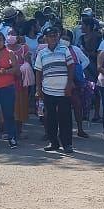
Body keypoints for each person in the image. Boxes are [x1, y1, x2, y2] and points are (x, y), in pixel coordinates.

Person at [34, 26, 76, 154]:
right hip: (48, 90)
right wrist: (38, 89)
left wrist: (69, 84)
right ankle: (53, 142)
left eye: (55, 35)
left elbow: (71, 66)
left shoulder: (64, 49)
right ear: (45, 38)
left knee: (65, 117)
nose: (53, 38)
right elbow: (38, 72)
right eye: (50, 36)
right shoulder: (41, 53)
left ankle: (67, 144)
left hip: (63, 90)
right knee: (50, 118)